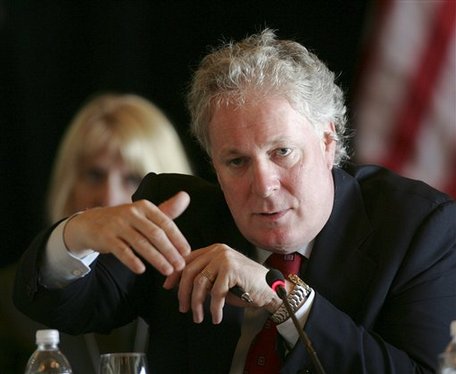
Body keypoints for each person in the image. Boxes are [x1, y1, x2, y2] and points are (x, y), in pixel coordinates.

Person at [13, 30, 455, 374]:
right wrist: (78, 234)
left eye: (282, 152)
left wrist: (282, 298)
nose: (263, 185)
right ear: (214, 164)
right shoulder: (184, 217)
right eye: (237, 161)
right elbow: (59, 308)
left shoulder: (418, 228)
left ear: (327, 140)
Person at [5, 92, 192, 373]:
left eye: (132, 178)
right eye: (94, 175)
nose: (109, 197)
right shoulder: (7, 301)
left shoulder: (195, 291)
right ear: (68, 184)